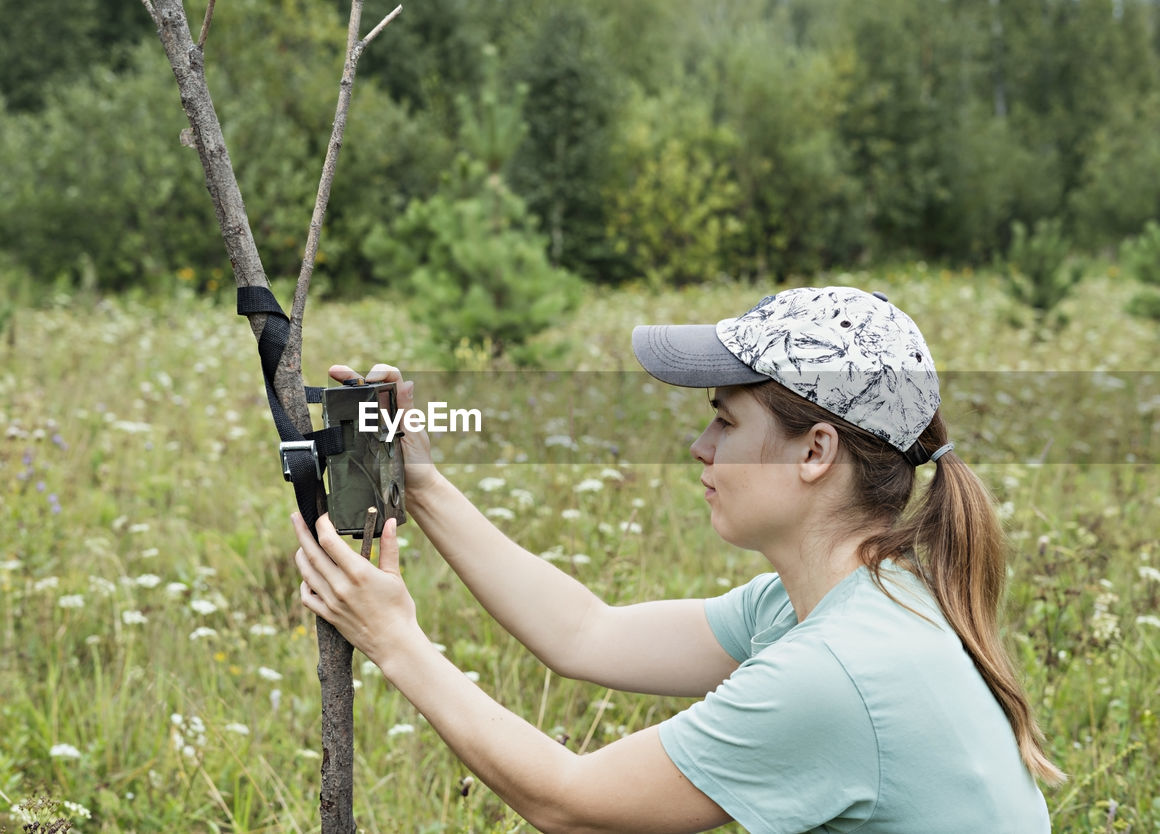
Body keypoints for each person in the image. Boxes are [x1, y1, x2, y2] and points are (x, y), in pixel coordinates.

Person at [291, 286, 1063, 833]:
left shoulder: (836, 673)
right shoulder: (851, 599)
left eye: (725, 423)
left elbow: (572, 801)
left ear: (815, 452)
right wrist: (421, 485)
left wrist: (396, 642)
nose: (700, 448)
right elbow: (586, 635)